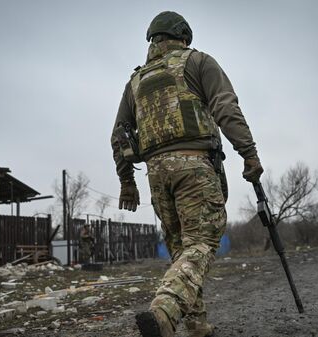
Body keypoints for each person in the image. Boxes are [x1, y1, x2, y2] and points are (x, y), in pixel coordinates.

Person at [111, 11, 263, 337]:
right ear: (183, 36)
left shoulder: (135, 82)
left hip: (156, 173)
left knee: (181, 250)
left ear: (153, 41)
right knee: (203, 242)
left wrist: (127, 182)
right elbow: (225, 107)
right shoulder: (199, 62)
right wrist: (249, 155)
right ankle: (165, 310)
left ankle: (197, 325)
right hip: (194, 166)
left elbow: (120, 134)